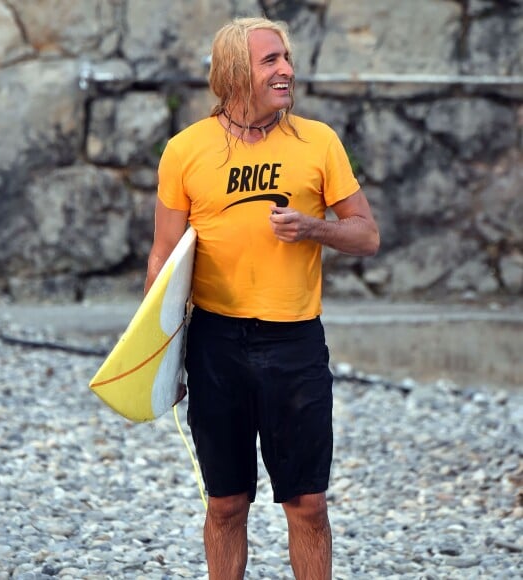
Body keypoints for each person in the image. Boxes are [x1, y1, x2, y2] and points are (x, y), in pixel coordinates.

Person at [144, 16, 380, 580]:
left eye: (286, 59)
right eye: (271, 61)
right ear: (232, 73)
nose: (287, 71)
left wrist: (314, 228)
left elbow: (367, 235)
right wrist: (160, 356)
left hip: (294, 342)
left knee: (308, 505)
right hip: (216, 342)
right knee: (225, 505)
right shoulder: (185, 150)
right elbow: (162, 257)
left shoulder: (318, 142)